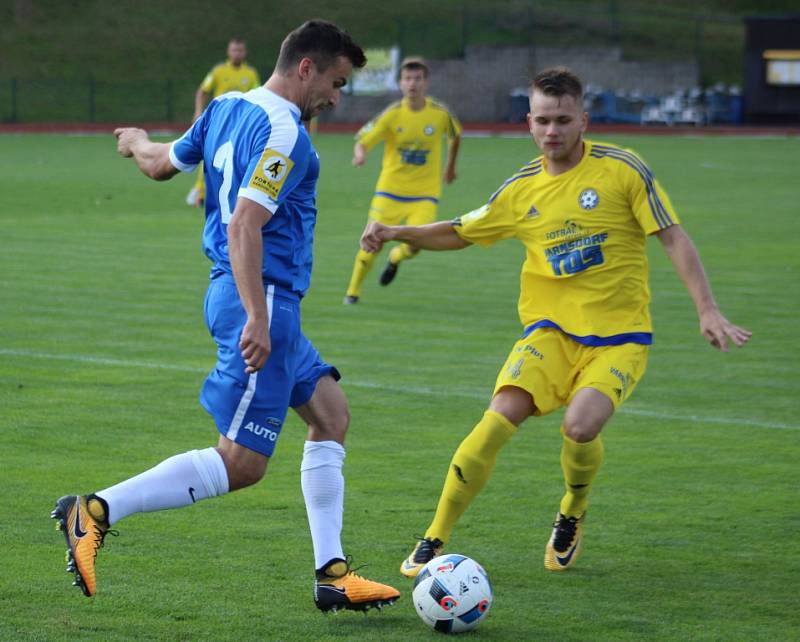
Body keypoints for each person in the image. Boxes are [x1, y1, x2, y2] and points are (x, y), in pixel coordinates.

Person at [51, 19, 400, 614]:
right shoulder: (286, 131)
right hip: (256, 300)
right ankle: (95, 510)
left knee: (331, 415)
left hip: (252, 299)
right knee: (241, 463)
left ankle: (332, 574)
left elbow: (163, 163)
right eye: (336, 83)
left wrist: (136, 140)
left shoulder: (226, 107)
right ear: (307, 67)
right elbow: (244, 224)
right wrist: (259, 319)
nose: (337, 100)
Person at [360, 67, 752, 576]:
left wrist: (707, 308)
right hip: (549, 334)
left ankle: (572, 510)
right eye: (543, 120)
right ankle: (435, 535)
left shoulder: (623, 169)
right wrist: (395, 231)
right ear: (528, 122)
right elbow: (461, 230)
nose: (552, 131)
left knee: (580, 426)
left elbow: (672, 236)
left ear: (583, 119)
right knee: (496, 419)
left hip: (619, 338)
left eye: (563, 120)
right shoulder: (521, 189)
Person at [343, 56, 461, 304]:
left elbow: (455, 135)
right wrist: (360, 155)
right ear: (400, 83)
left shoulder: (440, 114)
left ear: (426, 83)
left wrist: (450, 167)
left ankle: (396, 257)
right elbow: (364, 141)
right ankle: (352, 292)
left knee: (418, 243)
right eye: (408, 79)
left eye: (418, 79)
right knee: (371, 244)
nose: (413, 84)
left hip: (425, 194)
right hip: (390, 192)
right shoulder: (392, 114)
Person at [185, 37, 261, 207]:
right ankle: (200, 191)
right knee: (209, 154)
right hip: (219, 121)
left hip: (241, 123)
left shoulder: (250, 74)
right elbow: (203, 91)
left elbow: (258, 96)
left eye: (240, 50)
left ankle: (239, 193)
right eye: (234, 50)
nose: (237, 53)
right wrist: (198, 111)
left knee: (241, 156)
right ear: (229, 51)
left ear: (245, 52)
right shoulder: (218, 72)